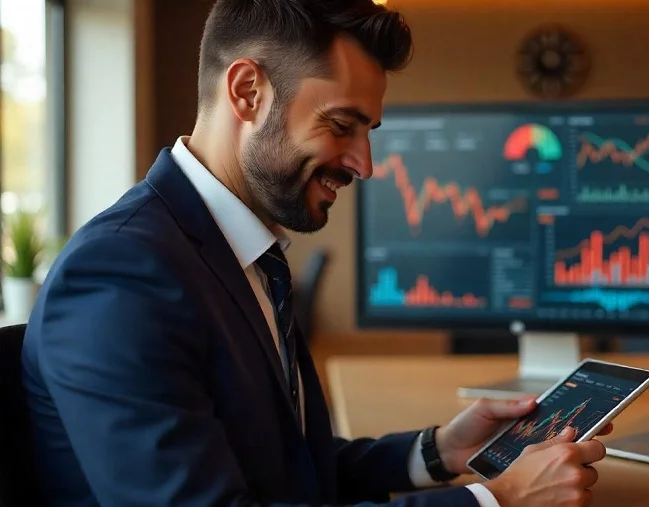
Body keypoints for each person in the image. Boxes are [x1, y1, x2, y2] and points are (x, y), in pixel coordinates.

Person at [21, 1, 611, 507]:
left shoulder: (242, 254)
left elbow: (278, 463)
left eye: (368, 131)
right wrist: (494, 499)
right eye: (341, 125)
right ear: (247, 91)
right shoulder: (120, 276)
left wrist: (438, 451)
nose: (365, 163)